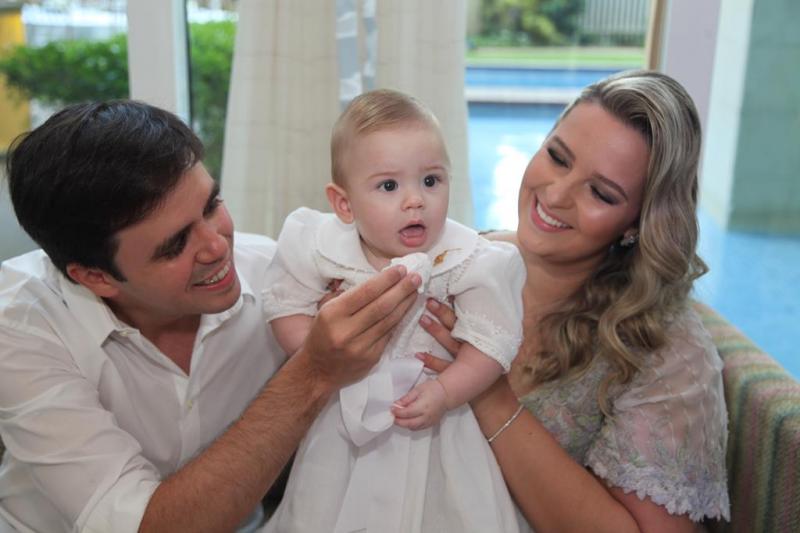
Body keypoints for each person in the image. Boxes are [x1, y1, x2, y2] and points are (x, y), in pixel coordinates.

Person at [0, 100, 422, 532]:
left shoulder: (275, 276)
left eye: (211, 205)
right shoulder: (18, 327)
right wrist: (312, 372)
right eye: (176, 244)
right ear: (95, 276)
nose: (218, 246)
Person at [417, 69, 731, 532]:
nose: (557, 194)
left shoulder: (664, 352)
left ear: (637, 224)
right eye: (557, 157)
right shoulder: (456, 260)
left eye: (601, 192)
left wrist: (489, 396)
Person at [261, 89, 527, 532]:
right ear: (344, 204)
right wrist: (318, 353)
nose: (415, 200)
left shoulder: (466, 260)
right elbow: (285, 305)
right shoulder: (322, 247)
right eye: (389, 186)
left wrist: (446, 393)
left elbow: (492, 343)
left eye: (431, 181)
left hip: (436, 427)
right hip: (343, 419)